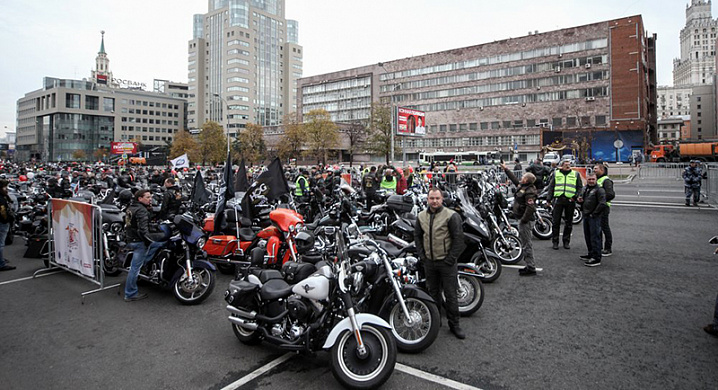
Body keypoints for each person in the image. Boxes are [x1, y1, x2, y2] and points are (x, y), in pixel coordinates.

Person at [414, 187, 466, 339]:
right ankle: (435, 323)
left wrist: (450, 259)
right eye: (432, 198)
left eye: (437, 198)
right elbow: (417, 237)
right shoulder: (421, 216)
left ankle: (454, 324)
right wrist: (423, 256)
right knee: (432, 293)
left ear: (442, 199)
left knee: (450, 295)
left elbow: (458, 240)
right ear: (427, 199)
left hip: (446, 262)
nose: (434, 201)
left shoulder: (451, 216)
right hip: (429, 262)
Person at [124, 189, 165, 301]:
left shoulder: (131, 207)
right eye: (147, 197)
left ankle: (145, 265)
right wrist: (148, 241)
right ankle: (130, 293)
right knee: (135, 268)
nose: (150, 199)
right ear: (140, 198)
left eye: (150, 197)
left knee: (158, 245)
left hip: (130, 239)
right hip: (138, 242)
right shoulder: (141, 211)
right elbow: (143, 230)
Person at [501, 162, 538, 276]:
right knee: (525, 242)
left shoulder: (529, 191)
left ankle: (531, 267)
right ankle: (529, 265)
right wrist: (506, 169)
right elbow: (514, 180)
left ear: (526, 180)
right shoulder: (523, 187)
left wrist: (523, 220)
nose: (521, 178)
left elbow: (530, 207)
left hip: (525, 220)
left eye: (523, 177)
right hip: (522, 218)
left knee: (526, 243)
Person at [546, 160, 582, 250]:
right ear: (561, 166)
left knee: (569, 222)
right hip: (558, 200)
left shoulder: (575, 174)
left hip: (570, 200)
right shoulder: (556, 173)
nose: (568, 166)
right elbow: (551, 186)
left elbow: (579, 187)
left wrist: (575, 196)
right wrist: (549, 199)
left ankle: (566, 241)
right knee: (556, 222)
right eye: (566, 165)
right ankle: (555, 242)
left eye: (569, 165)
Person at [578, 173, 607, 267]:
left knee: (595, 237)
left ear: (596, 180)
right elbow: (582, 199)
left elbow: (602, 203)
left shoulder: (600, 190)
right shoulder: (585, 188)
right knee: (588, 236)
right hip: (586, 215)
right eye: (589, 179)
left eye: (593, 179)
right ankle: (590, 253)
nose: (591, 181)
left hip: (594, 217)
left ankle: (596, 257)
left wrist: (594, 214)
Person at [594, 163, 615, 256]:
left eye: (596, 169)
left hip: (603, 207)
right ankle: (599, 247)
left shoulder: (606, 181)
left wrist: (600, 200)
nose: (594, 170)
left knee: (604, 227)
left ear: (602, 170)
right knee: (597, 228)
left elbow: (611, 194)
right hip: (597, 207)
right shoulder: (597, 180)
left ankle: (608, 248)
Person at [0, 180, 15, 271]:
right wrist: (6, 220)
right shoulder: (1, 198)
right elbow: (3, 211)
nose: (6, 189)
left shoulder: (3, 196)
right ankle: (1, 264)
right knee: (1, 244)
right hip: (2, 223)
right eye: (5, 187)